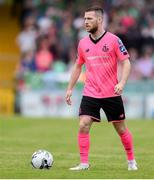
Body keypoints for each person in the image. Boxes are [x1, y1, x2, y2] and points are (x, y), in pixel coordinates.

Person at [65, 7, 138, 171]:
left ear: (99, 20)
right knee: (83, 124)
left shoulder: (113, 40)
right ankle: (84, 164)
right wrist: (70, 88)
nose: (85, 22)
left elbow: (126, 62)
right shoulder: (83, 43)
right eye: (84, 19)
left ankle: (131, 161)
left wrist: (122, 83)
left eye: (89, 19)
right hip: (90, 92)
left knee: (121, 129)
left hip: (111, 92)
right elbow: (78, 67)